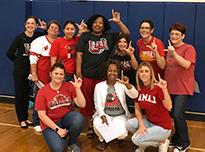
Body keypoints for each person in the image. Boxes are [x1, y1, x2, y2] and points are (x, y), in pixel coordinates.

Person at [76, 9, 130, 136]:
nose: (98, 24)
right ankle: (90, 124)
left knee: (102, 101)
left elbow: (126, 34)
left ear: (104, 25)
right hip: (87, 73)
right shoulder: (85, 36)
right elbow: (79, 55)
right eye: (95, 22)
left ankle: (104, 122)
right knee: (88, 101)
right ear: (91, 24)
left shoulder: (109, 36)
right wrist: (78, 71)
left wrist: (118, 21)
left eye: (101, 23)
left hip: (103, 76)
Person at [35, 62, 85, 152]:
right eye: (56, 73)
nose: (59, 76)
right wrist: (57, 129)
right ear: (50, 74)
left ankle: (72, 142)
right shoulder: (42, 91)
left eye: (61, 74)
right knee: (59, 149)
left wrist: (78, 88)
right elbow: (42, 115)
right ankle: (61, 137)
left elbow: (82, 104)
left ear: (64, 75)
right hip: (50, 125)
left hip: (66, 119)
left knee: (79, 118)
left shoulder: (69, 86)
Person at [6, 16, 46, 129]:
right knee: (20, 95)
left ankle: (25, 117)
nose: (30, 25)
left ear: (36, 26)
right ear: (25, 25)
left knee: (27, 95)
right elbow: (9, 53)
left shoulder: (38, 36)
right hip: (20, 71)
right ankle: (21, 119)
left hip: (31, 71)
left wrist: (44, 29)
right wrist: (18, 61)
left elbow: (48, 37)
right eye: (28, 23)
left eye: (32, 23)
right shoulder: (20, 38)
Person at [93, 59, 138, 151]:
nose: (112, 73)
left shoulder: (122, 85)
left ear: (118, 72)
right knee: (97, 124)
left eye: (115, 71)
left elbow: (135, 95)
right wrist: (102, 116)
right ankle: (102, 139)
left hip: (120, 115)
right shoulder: (99, 86)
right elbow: (97, 105)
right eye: (110, 70)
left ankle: (114, 137)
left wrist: (128, 85)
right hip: (105, 114)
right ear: (106, 72)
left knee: (123, 134)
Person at [126, 62, 172, 152]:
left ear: (151, 74)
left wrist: (164, 89)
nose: (144, 73)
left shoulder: (157, 87)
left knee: (135, 139)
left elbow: (169, 106)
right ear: (138, 74)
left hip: (163, 127)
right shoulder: (138, 88)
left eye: (146, 71)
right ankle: (149, 141)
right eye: (141, 71)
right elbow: (137, 108)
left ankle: (162, 142)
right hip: (150, 123)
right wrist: (141, 124)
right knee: (129, 124)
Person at [164, 23, 196, 152]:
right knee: (172, 115)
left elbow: (187, 64)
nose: (174, 36)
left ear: (183, 36)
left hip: (183, 88)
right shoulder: (169, 49)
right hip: (169, 88)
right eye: (172, 34)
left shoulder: (189, 48)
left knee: (178, 114)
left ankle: (184, 143)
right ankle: (177, 138)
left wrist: (174, 54)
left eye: (177, 34)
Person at [29, 20, 61, 132]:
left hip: (55, 74)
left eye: (56, 28)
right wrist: (34, 74)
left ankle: (51, 121)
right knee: (40, 97)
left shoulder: (59, 41)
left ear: (59, 31)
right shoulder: (39, 41)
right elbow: (33, 59)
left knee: (53, 98)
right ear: (47, 29)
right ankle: (37, 121)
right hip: (42, 73)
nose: (53, 29)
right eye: (51, 27)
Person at [110, 34, 139, 113]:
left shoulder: (131, 53)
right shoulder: (113, 55)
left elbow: (136, 67)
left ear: (128, 43)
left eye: (124, 42)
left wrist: (131, 55)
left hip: (129, 84)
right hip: (117, 85)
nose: (122, 44)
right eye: (120, 42)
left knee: (129, 107)